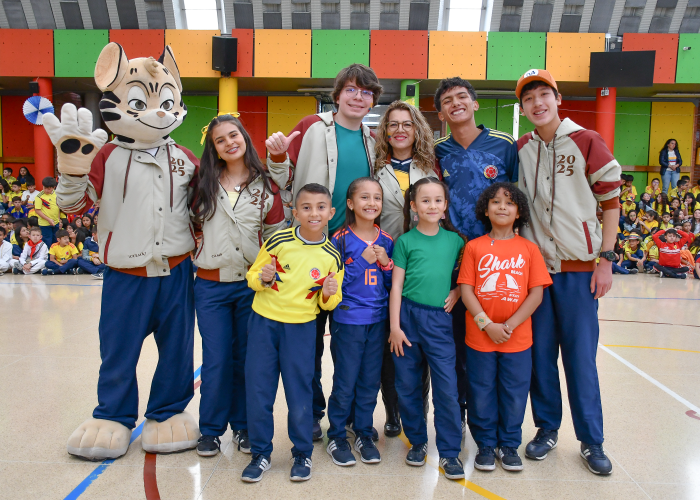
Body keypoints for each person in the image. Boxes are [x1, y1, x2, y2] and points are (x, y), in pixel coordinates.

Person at [265, 64, 383, 440]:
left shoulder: (371, 139)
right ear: (337, 95)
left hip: (353, 251)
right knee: (310, 341)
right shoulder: (312, 127)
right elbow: (281, 180)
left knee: (351, 341)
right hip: (311, 248)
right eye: (351, 90)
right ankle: (314, 411)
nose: (358, 97)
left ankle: (345, 413)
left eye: (366, 92)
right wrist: (280, 156)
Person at [515, 69, 621, 475]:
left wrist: (606, 258)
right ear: (522, 108)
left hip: (579, 272)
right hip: (537, 274)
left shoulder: (586, 141)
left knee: (580, 359)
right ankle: (546, 429)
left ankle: (592, 440)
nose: (537, 103)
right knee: (540, 358)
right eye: (529, 98)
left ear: (557, 98)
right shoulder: (522, 147)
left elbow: (610, 203)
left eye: (544, 94)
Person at [191, 115, 286, 458]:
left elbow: (276, 237)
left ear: (244, 137)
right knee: (216, 360)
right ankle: (211, 430)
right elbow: (188, 226)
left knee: (248, 360)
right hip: (211, 286)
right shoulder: (201, 183)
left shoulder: (266, 185)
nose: (230, 142)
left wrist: (272, 271)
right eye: (220, 139)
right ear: (213, 148)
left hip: (251, 287)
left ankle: (244, 426)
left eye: (234, 135)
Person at [242, 183, 344, 483]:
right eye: (307, 207)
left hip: (301, 328)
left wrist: (327, 294)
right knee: (259, 389)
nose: (314, 213)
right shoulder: (278, 241)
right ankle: (260, 453)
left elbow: (331, 301)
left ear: (331, 213)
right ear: (295, 211)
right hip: (264, 323)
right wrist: (262, 277)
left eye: (321, 207)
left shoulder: (331, 255)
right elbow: (252, 277)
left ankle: (302, 453)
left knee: (299, 391)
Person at [433, 77, 519, 428]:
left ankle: (491, 417)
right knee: (454, 340)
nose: (456, 104)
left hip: (495, 259)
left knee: (488, 339)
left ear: (474, 103)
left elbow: (518, 199)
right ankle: (458, 412)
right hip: (452, 259)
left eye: (462, 97)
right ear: (441, 112)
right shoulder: (438, 150)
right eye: (448, 100)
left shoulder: (504, 145)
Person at [458, 183, 551, 472]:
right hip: (479, 338)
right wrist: (487, 325)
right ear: (485, 209)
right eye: (495, 202)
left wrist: (507, 326)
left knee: (514, 392)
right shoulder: (474, 247)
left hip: (517, 339)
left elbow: (536, 293)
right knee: (481, 390)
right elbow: (466, 289)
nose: (502, 207)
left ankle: (509, 444)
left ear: (519, 211)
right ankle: (485, 444)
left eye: (509, 203)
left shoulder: (529, 249)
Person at [389, 177, 466, 480]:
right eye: (425, 200)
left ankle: (449, 452)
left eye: (438, 200)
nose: (432, 205)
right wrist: (395, 327)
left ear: (445, 207)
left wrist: (458, 291)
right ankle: (417, 441)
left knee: (446, 388)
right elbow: (396, 287)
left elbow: (467, 277)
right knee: (407, 386)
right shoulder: (405, 241)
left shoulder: (457, 242)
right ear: (413, 206)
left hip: (439, 321)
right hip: (407, 318)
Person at [373, 100, 438, 437]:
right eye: (393, 124)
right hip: (382, 263)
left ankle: (418, 411)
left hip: (418, 263)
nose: (400, 130)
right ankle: (392, 412)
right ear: (385, 130)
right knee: (389, 344)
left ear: (417, 130)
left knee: (417, 344)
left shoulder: (429, 166)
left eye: (407, 124)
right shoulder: (374, 166)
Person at [326, 177, 393, 466]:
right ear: (351, 204)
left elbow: (393, 284)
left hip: (378, 321)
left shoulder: (388, 240)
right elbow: (333, 283)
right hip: (348, 320)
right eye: (364, 198)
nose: (371, 203)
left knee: (369, 380)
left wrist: (386, 265)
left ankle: (364, 431)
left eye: (376, 197)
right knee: (345, 380)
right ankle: (337, 434)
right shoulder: (339, 239)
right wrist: (363, 261)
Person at [35, 177, 60, 247]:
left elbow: (57, 207)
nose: (46, 190)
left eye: (48, 189)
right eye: (45, 188)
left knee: (56, 240)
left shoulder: (56, 194)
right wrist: (48, 219)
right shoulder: (39, 197)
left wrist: (58, 219)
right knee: (47, 242)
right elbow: (37, 210)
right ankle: (47, 257)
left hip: (55, 222)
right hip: (45, 224)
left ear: (53, 187)